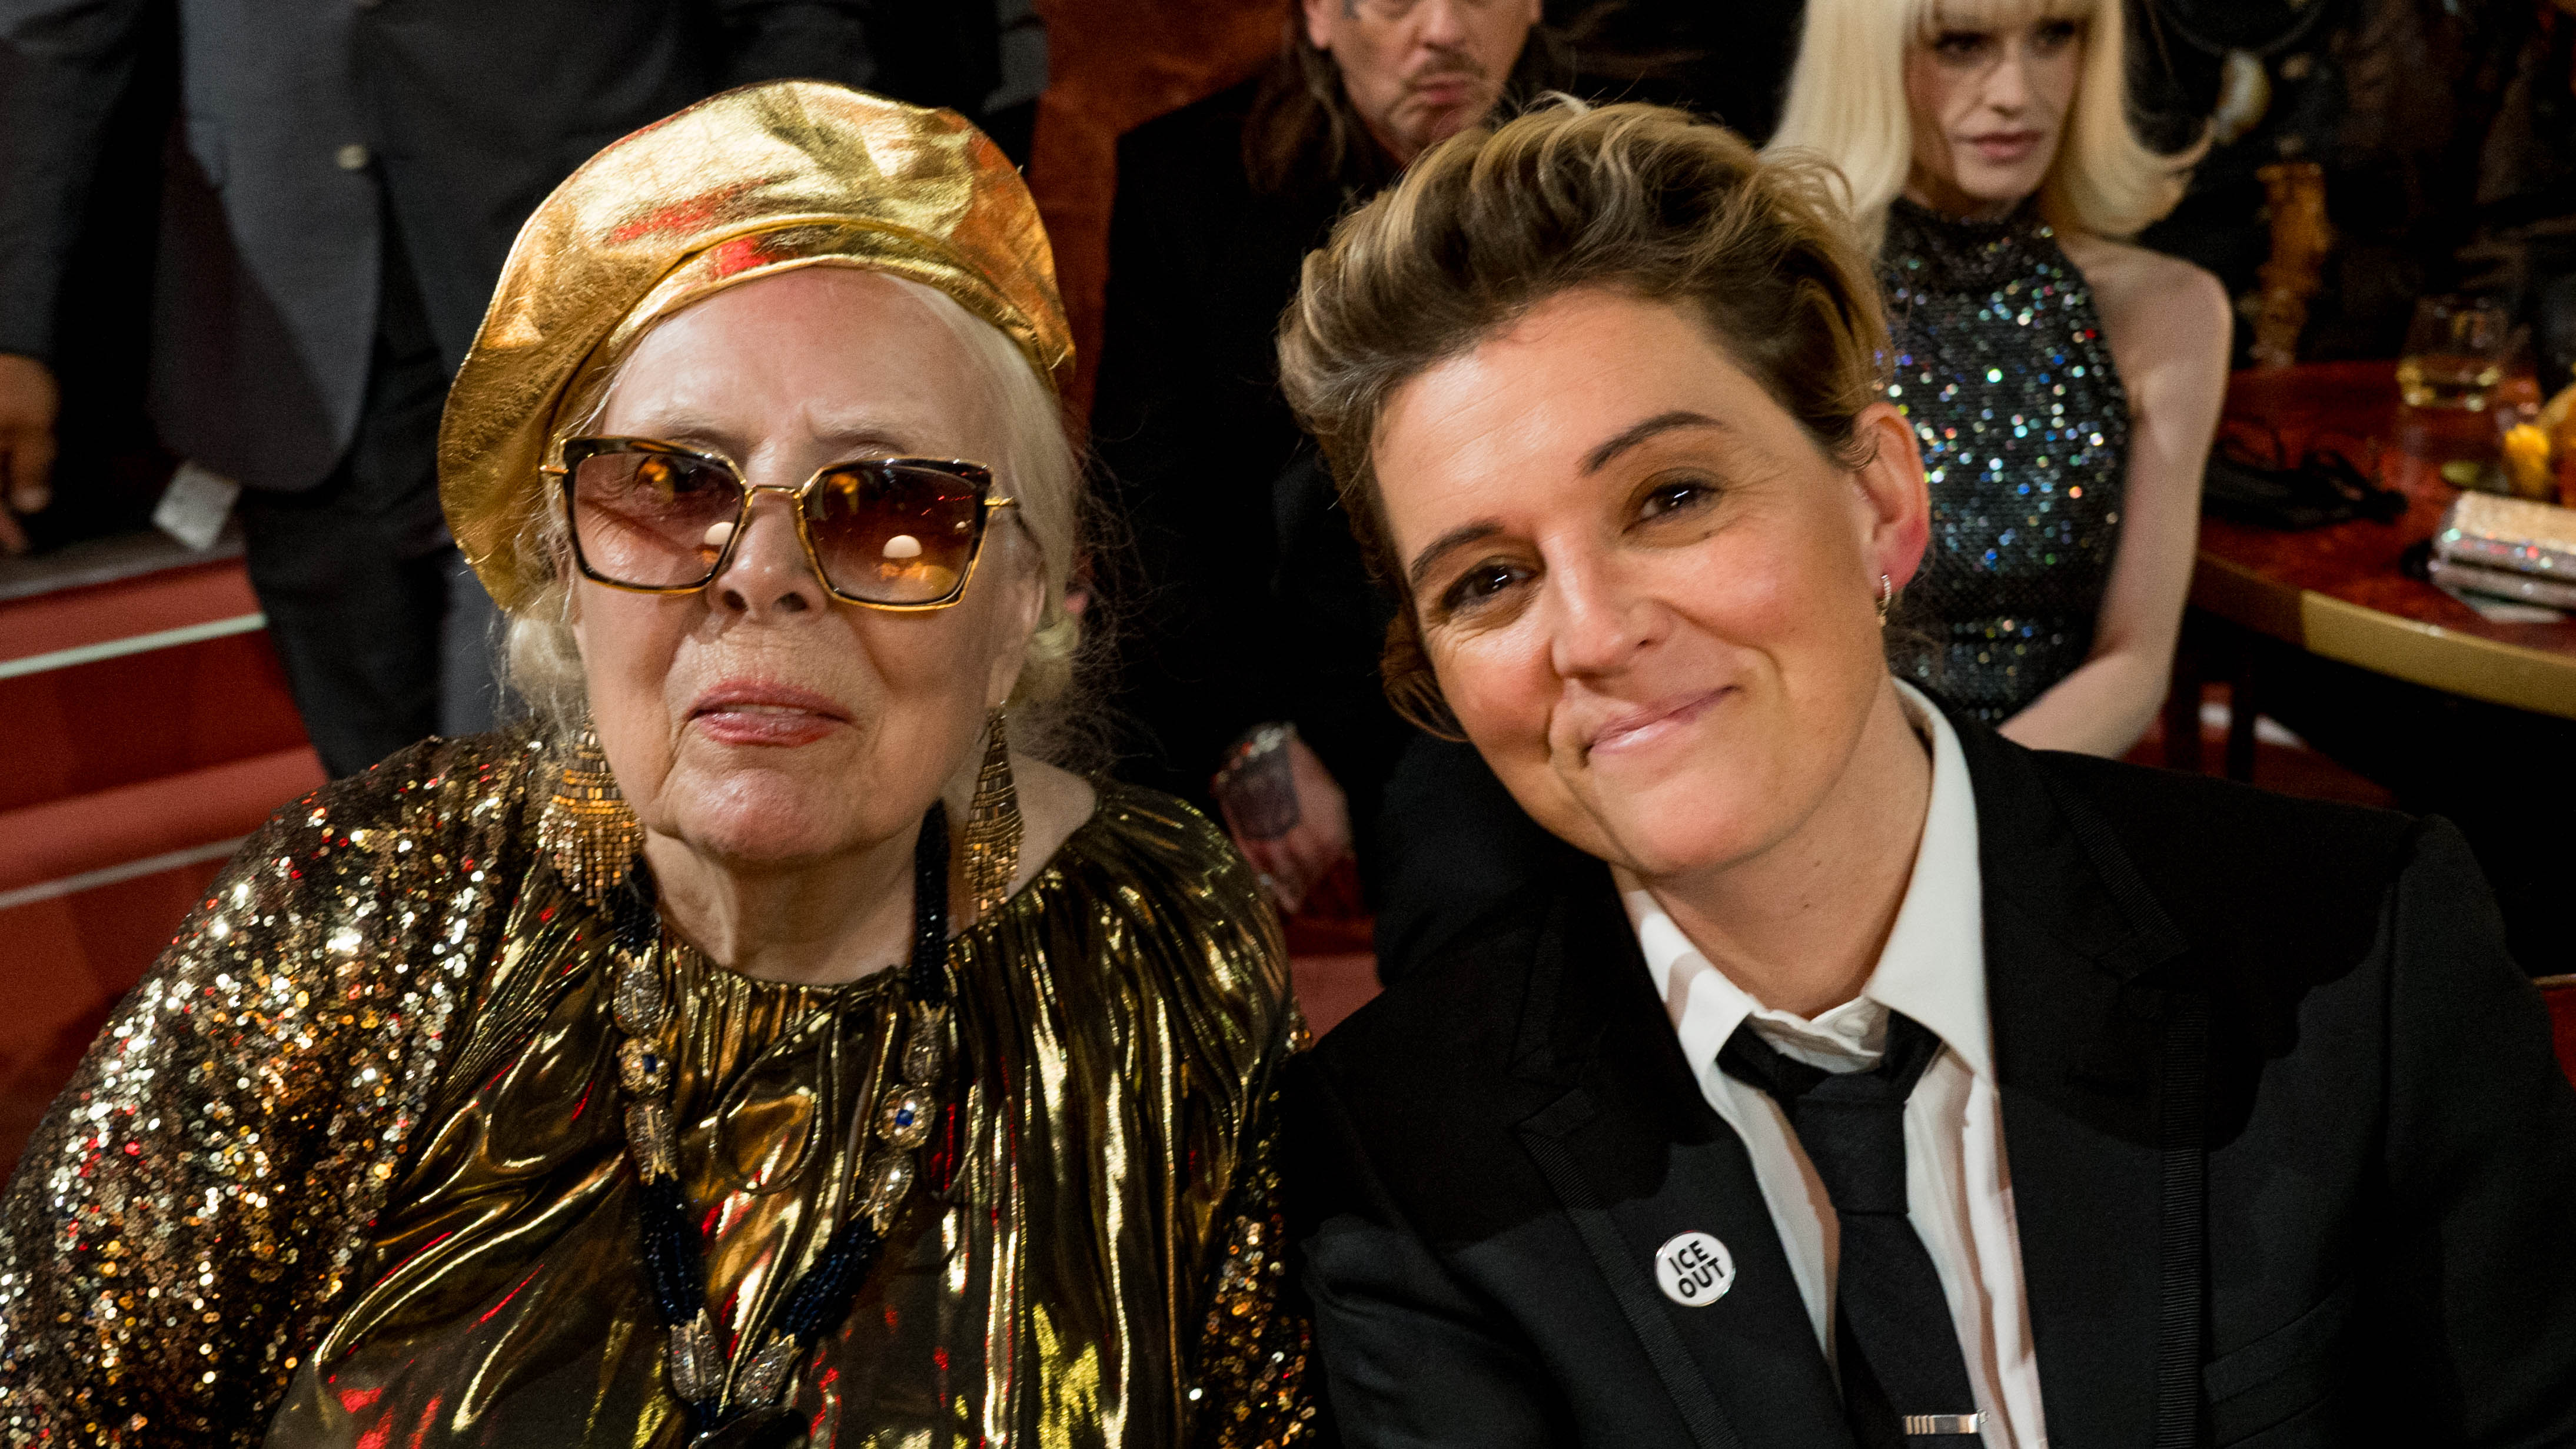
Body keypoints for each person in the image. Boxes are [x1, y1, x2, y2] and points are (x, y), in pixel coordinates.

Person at [0, 85, 1317, 1447]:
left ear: (1020, 606)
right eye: (669, 486)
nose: (758, 574)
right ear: (568, 572)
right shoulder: (367, 909)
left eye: (888, 509)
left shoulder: (1164, 947)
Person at [1277, 101, 2576, 1445]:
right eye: (1489, 579)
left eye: (1672, 497)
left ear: (1881, 502)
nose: (1596, 633)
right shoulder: (1403, 1164)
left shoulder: (2362, 956)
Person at [0, 0, 889, 776]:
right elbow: (52, 35)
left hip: (597, 302)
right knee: (374, 811)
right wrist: (12, 328)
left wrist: (780, 273)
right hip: (289, 324)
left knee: (548, 795)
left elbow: (792, 17)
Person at [1089, 0, 1545, 913]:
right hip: (1284, 670)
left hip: (1542, 647)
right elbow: (1147, 505)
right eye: (1395, 0)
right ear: (1321, 17)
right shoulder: (1189, 182)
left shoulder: (1612, 167)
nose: (1445, 29)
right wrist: (1247, 733)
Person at [1767, 0, 2228, 754]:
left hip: (2046, 796)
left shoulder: (2166, 315)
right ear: (1866, 59)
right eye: (1962, 44)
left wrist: (1967, 818)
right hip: (1812, 784)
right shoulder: (1782, 304)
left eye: (2055, 35)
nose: (2017, 91)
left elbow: (2137, 662)